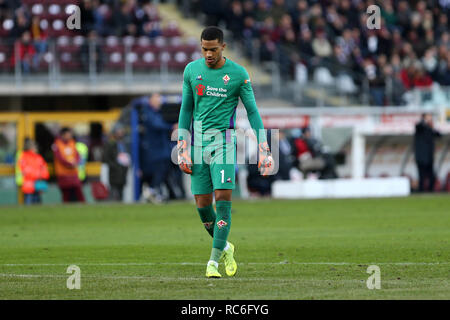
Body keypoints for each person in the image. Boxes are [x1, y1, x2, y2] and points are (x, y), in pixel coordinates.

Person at [177, 26, 274, 278]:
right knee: (202, 207)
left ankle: (212, 262)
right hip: (198, 145)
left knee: (223, 199)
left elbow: (252, 112)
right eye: (204, 49)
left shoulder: (239, 74)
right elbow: (186, 111)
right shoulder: (191, 71)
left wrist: (264, 148)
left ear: (223, 47)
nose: (208, 54)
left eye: (213, 49)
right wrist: (182, 146)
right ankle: (225, 246)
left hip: (224, 143)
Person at [133, 93, 176, 203]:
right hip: (154, 150)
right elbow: (156, 124)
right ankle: (151, 190)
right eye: (157, 99)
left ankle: (154, 191)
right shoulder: (148, 112)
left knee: (164, 169)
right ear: (151, 100)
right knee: (159, 169)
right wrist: (171, 126)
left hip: (162, 149)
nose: (160, 101)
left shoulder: (159, 112)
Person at [52, 127, 85, 203]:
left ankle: (83, 207)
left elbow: (77, 155)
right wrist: (69, 164)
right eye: (68, 134)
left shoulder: (72, 143)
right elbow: (60, 158)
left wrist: (75, 162)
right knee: (66, 193)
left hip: (73, 172)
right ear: (63, 135)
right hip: (63, 173)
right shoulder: (57, 145)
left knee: (78, 191)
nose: (69, 136)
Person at [15, 139, 49, 205]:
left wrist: (42, 175)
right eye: (35, 147)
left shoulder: (38, 157)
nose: (36, 149)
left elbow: (44, 168)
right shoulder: (23, 157)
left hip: (37, 183)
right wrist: (37, 175)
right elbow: (24, 169)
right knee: (29, 200)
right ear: (30, 148)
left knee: (37, 200)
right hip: (28, 183)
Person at [414, 113, 441, 192]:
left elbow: (439, 135)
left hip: (429, 157)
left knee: (432, 176)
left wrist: (432, 127)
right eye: (428, 117)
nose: (430, 119)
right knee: (421, 175)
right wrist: (425, 121)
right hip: (421, 157)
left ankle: (430, 190)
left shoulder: (430, 129)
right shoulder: (420, 127)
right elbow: (418, 126)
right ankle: (421, 190)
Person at [102, 124, 130, 201]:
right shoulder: (110, 144)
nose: (121, 133)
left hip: (123, 171)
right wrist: (115, 166)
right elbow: (105, 158)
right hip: (114, 172)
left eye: (121, 131)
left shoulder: (124, 144)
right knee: (114, 192)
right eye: (119, 131)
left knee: (121, 192)